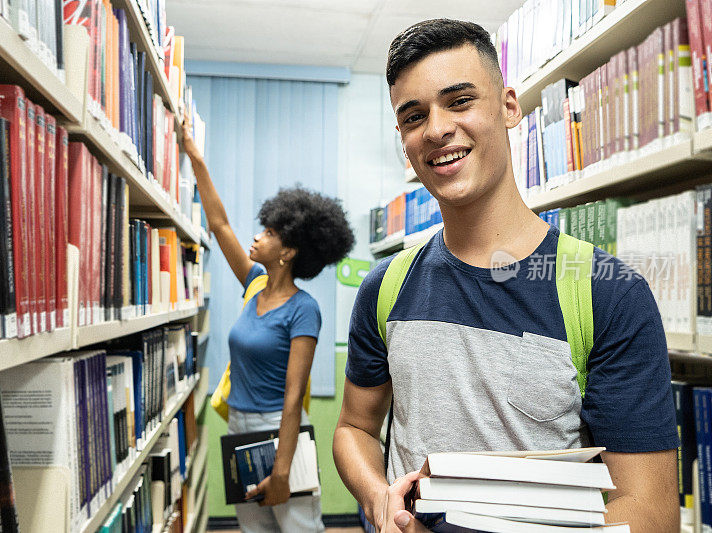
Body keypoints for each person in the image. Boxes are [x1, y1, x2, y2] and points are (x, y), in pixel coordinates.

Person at [332, 18, 679, 533]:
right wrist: (379, 496)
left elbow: (650, 512)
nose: (437, 129)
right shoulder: (384, 287)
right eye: (413, 116)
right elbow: (355, 427)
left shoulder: (607, 293)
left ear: (510, 107)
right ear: (404, 139)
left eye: (460, 100)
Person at [181, 114, 354, 532]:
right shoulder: (254, 284)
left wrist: (281, 471)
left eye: (270, 231)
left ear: (289, 250)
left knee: (297, 528)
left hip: (280, 434)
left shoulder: (303, 309)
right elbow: (219, 224)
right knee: (254, 529)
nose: (257, 237)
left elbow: (293, 399)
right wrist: (194, 155)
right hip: (238, 425)